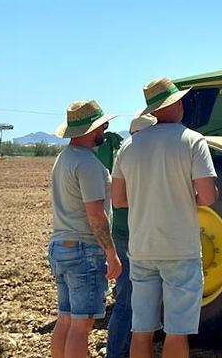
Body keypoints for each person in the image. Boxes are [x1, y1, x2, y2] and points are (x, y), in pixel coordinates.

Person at [112, 78, 218, 358]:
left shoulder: (128, 146)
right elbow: (208, 196)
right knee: (177, 330)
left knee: (142, 327)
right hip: (179, 248)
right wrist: (184, 196)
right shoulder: (192, 141)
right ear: (177, 104)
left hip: (142, 248)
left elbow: (119, 200)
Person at [48, 100, 124, 358]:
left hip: (61, 246)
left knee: (66, 320)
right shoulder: (89, 165)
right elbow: (95, 215)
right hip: (84, 250)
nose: (105, 129)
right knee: (82, 326)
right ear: (92, 130)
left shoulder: (63, 159)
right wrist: (111, 253)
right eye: (103, 125)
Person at [98, 113, 157, 358]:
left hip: (122, 234)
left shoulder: (124, 155)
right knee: (127, 300)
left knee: (126, 297)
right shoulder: (148, 159)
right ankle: (117, 353)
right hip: (136, 236)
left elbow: (117, 199)